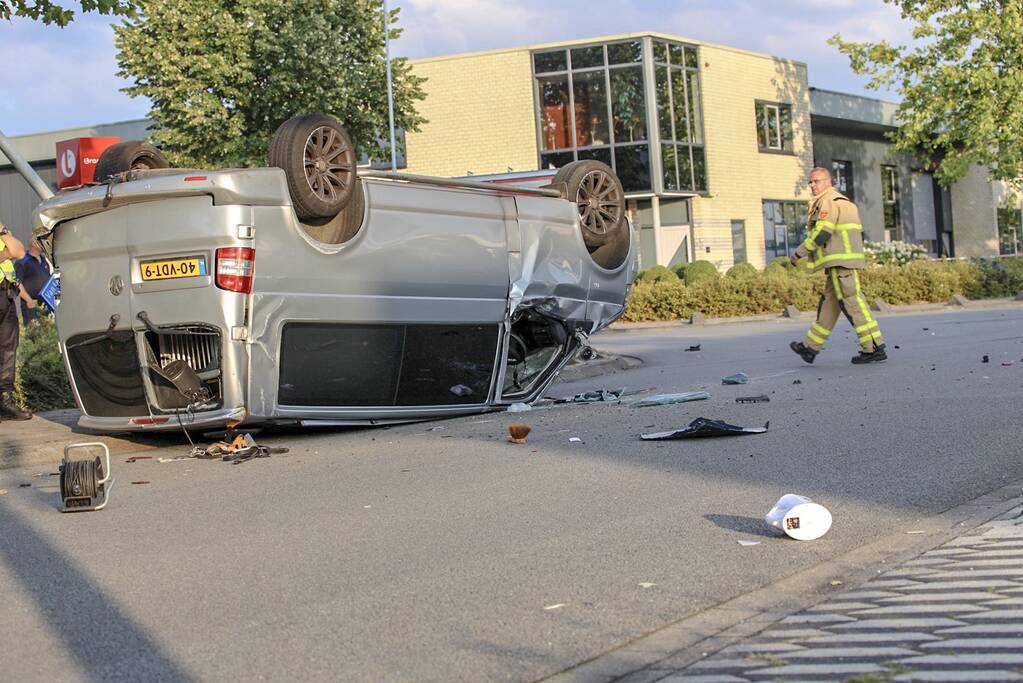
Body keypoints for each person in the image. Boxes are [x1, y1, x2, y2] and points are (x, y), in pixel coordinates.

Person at [789, 167, 887, 365]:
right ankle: (810, 348)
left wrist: (799, 252)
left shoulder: (828, 201)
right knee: (830, 305)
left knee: (852, 303)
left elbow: (823, 233)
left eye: (816, 181)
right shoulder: (844, 202)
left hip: (839, 262)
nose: (812, 185)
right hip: (841, 263)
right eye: (810, 182)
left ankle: (874, 347)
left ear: (827, 181)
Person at [0, 221, 33, 420]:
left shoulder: (2, 235)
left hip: (6, 295)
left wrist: (2, 232)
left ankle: (5, 402)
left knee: (8, 350)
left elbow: (18, 251)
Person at [14, 238, 51, 325]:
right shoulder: (22, 261)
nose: (43, 244)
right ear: (34, 244)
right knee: (35, 334)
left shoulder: (44, 259)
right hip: (31, 307)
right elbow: (17, 283)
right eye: (40, 242)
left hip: (45, 305)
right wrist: (29, 300)